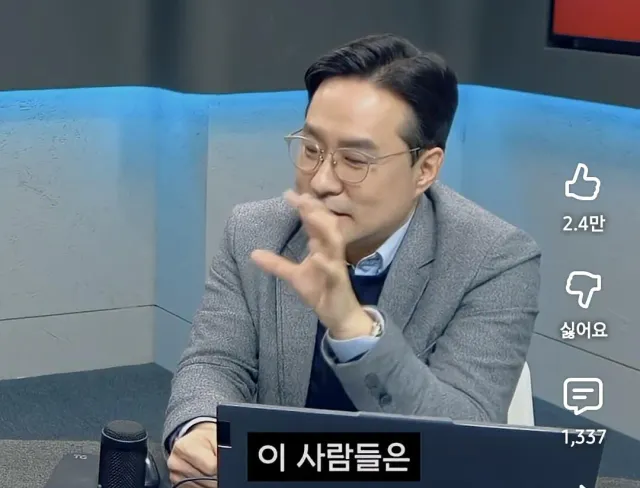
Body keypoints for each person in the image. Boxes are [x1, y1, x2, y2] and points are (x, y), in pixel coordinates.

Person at [165, 33, 541, 487]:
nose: (322, 181)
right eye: (311, 149)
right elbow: (216, 362)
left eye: (355, 160)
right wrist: (203, 429)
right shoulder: (256, 231)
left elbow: (464, 439)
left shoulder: (494, 260)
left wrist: (353, 329)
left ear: (425, 169)